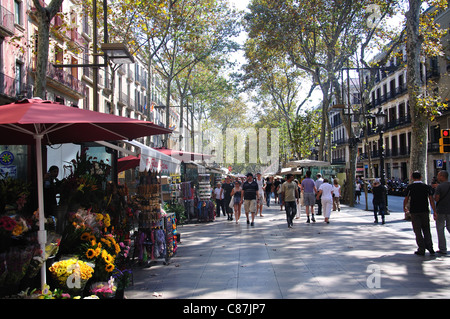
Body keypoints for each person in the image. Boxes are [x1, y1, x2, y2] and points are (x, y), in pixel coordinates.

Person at [403, 171, 436, 256]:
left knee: (417, 230)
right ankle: (430, 247)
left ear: (412, 178)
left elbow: (406, 199)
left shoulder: (410, 187)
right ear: (421, 177)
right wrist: (434, 211)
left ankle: (421, 249)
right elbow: (431, 199)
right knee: (426, 229)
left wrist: (405, 207)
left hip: (414, 211)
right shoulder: (426, 187)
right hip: (425, 210)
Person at [434, 170, 450, 255]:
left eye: (438, 175)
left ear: (442, 176)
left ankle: (443, 249)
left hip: (441, 210)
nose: (437, 177)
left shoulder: (439, 187)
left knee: (440, 229)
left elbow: (437, 198)